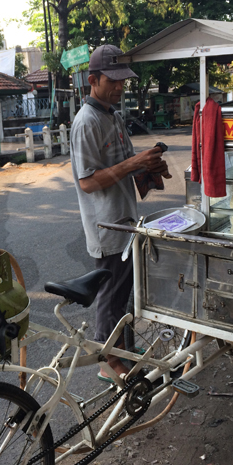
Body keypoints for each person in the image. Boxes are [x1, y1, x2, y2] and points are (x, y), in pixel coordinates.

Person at [70, 44, 172, 381]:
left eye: (122, 82)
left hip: (125, 218)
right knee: (111, 297)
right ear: (93, 79)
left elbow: (124, 166)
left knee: (125, 291)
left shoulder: (112, 116)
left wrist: (148, 167)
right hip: (107, 225)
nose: (119, 87)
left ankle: (122, 349)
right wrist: (134, 163)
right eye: (112, 81)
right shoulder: (86, 122)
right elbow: (87, 182)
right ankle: (107, 361)